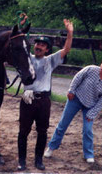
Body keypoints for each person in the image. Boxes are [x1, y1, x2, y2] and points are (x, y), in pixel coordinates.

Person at [17, 19, 73, 171]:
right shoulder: (27, 57)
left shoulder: (51, 60)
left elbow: (66, 50)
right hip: (28, 99)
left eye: (42, 45)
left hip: (43, 101)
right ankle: (21, 161)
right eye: (37, 44)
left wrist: (70, 33)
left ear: (47, 49)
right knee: (23, 130)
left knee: (42, 131)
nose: (39, 47)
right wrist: (20, 27)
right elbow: (17, 45)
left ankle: (38, 160)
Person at [44, 56, 102, 163]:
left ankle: (89, 154)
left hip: (90, 106)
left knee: (88, 130)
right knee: (63, 124)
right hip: (75, 99)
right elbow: (77, 78)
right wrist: (71, 91)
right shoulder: (91, 69)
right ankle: (51, 147)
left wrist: (92, 114)